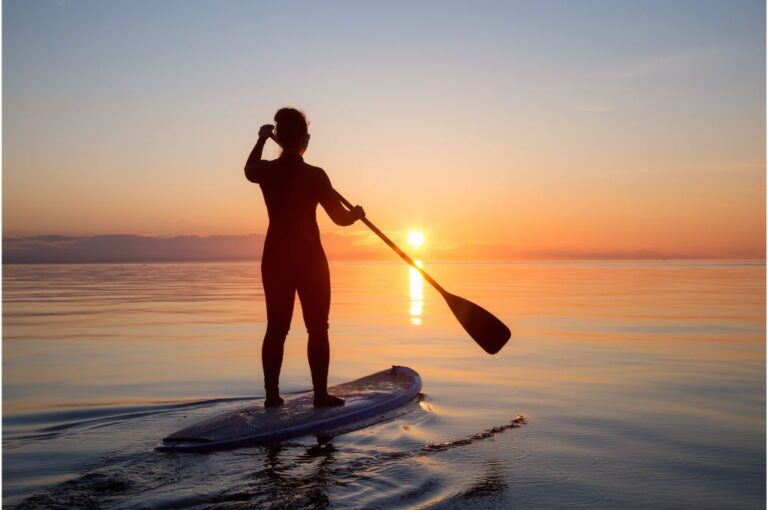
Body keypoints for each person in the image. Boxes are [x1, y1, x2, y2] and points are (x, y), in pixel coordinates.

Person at [244, 108, 365, 407]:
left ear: (278, 138)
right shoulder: (315, 175)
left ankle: (272, 396)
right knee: (318, 327)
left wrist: (260, 139)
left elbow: (249, 169)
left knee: (276, 328)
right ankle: (320, 395)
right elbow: (339, 218)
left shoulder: (267, 172)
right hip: (310, 260)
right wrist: (357, 215)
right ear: (305, 140)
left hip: (275, 259)